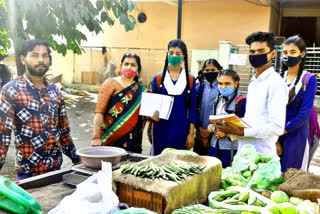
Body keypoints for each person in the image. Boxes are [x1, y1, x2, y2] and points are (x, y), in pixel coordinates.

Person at [0, 39, 80, 180]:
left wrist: (78, 160)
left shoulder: (55, 91)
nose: (41, 60)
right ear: (23, 59)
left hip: (56, 170)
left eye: (45, 56)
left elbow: (63, 132)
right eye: (35, 55)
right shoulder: (11, 90)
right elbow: (3, 135)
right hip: (28, 174)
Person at [215, 31, 288, 155]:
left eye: (261, 51)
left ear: (273, 54)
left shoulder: (275, 82)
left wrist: (241, 131)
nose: (256, 55)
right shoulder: (254, 82)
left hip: (262, 154)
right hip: (245, 150)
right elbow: (254, 119)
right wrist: (230, 127)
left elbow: (277, 127)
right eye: (252, 52)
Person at [91, 52, 147, 153]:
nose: (129, 67)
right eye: (126, 64)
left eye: (133, 65)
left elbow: (143, 116)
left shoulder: (141, 90)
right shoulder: (110, 84)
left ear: (138, 69)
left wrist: (153, 116)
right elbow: (99, 112)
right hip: (109, 140)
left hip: (132, 142)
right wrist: (96, 137)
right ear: (121, 66)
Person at [149, 39, 196, 155]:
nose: (174, 56)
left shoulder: (189, 79)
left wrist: (191, 133)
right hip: (160, 126)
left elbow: (192, 108)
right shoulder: (158, 78)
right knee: (159, 159)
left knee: (178, 160)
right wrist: (149, 125)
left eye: (178, 53)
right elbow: (152, 105)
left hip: (181, 127)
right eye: (171, 53)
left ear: (183, 56)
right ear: (167, 54)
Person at [278, 35, 317, 172]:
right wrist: (275, 137)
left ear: (302, 53)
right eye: (285, 53)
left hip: (296, 136)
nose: (288, 56)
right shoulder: (278, 78)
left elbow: (303, 115)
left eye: (293, 52)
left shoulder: (309, 79)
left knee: (291, 177)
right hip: (275, 134)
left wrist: (282, 131)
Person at [207, 69, 246, 168]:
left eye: (227, 83)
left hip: (230, 149)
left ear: (235, 83)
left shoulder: (241, 102)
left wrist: (226, 133)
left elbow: (246, 129)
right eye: (220, 83)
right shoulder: (218, 100)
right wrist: (211, 126)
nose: (223, 87)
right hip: (214, 146)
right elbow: (214, 119)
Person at [194, 59, 222, 155]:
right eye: (207, 70)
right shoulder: (199, 87)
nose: (210, 72)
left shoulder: (221, 88)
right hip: (199, 133)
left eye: (213, 70)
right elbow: (194, 109)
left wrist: (209, 132)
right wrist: (200, 129)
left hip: (214, 133)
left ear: (219, 70)